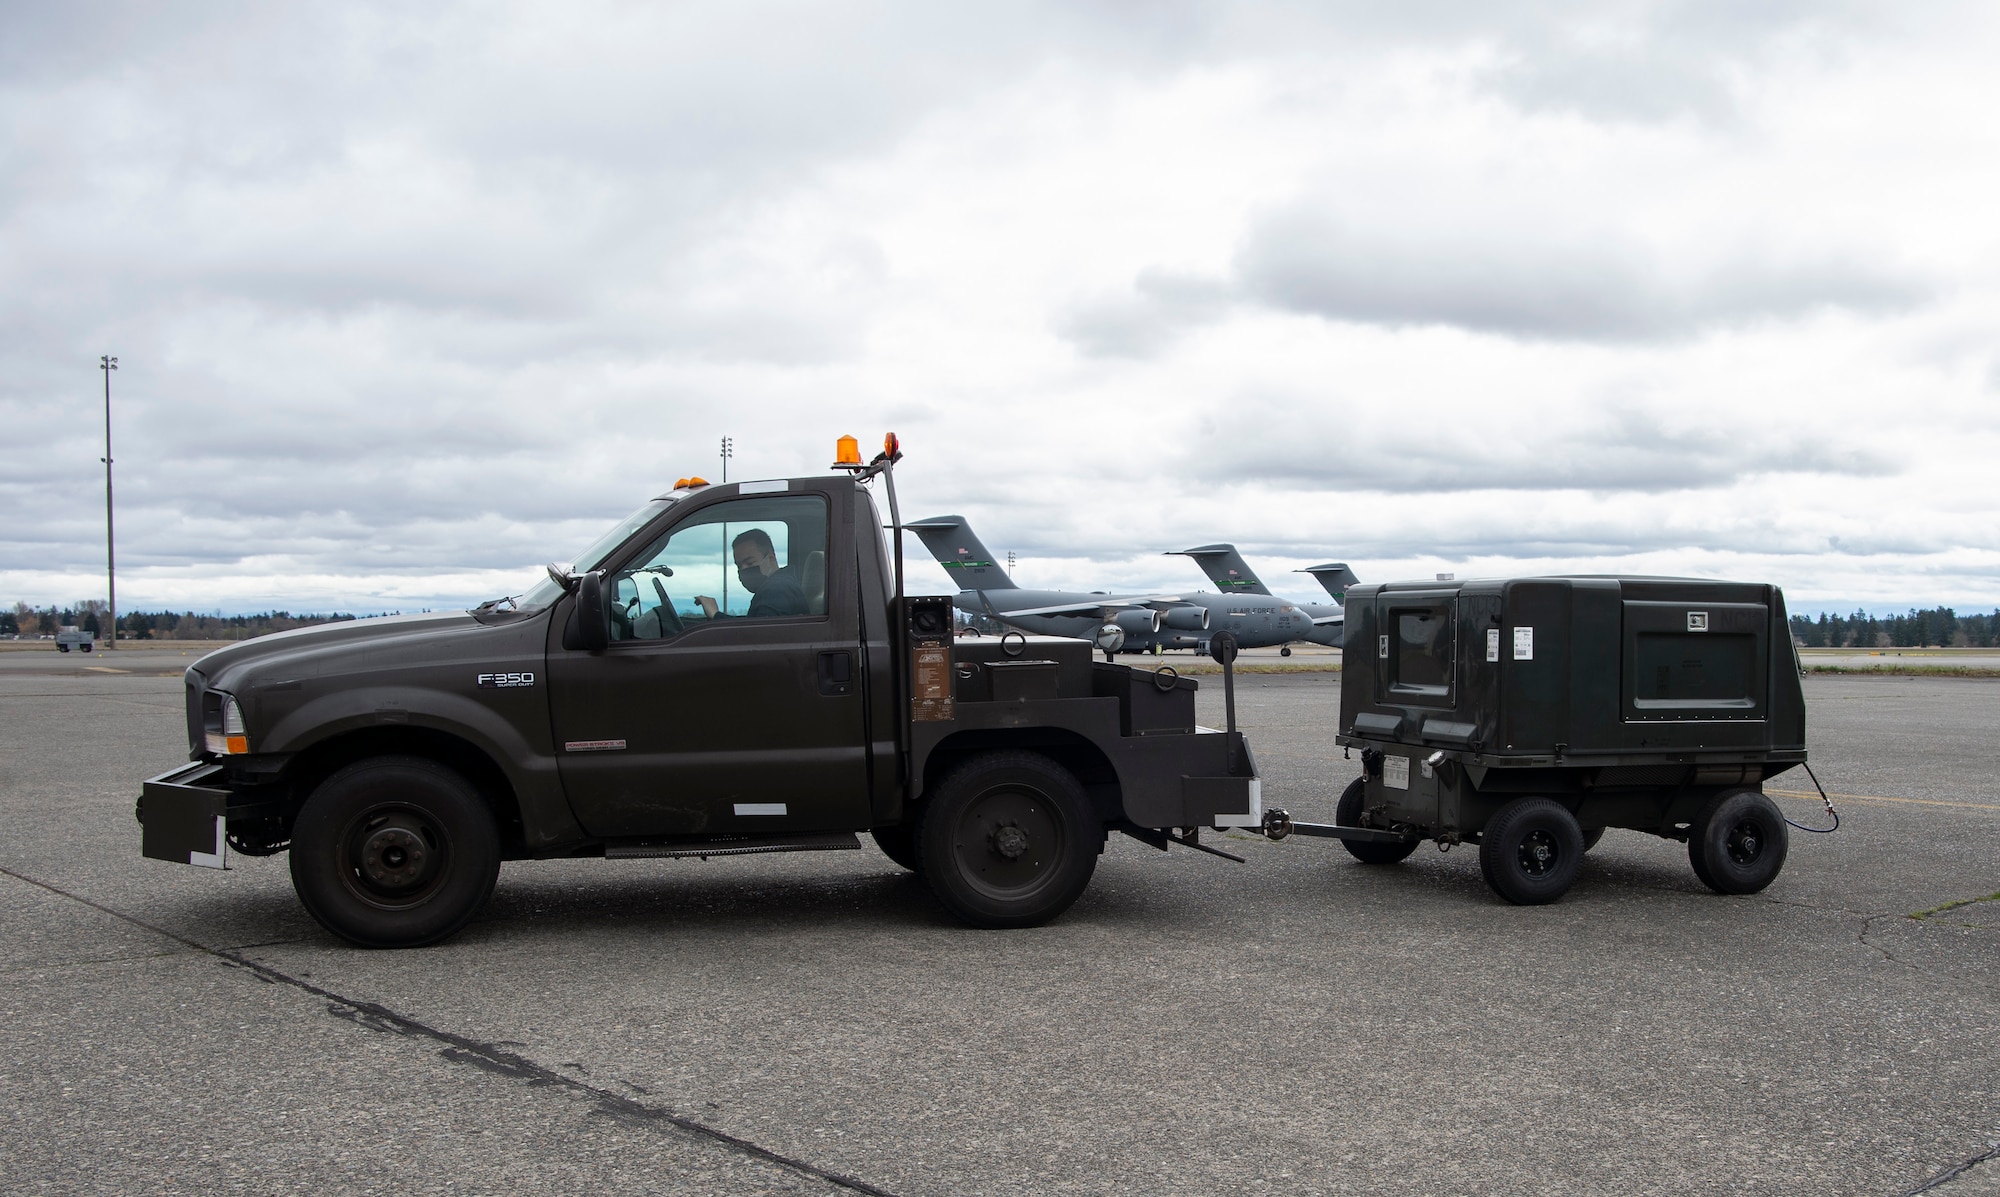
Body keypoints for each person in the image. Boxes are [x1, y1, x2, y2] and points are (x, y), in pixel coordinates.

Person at [696, 528, 808, 619]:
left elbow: (757, 633)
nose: (744, 570)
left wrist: (716, 616)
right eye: (739, 566)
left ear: (770, 558)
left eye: (749, 563)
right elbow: (752, 622)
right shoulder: (781, 584)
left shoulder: (776, 590)